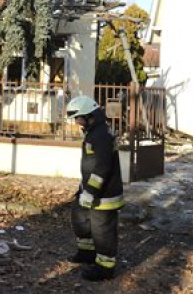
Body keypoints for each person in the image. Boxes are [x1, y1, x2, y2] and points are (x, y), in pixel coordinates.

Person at [66, 95, 124, 282]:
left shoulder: (101, 135)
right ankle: (87, 253)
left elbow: (102, 167)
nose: (76, 122)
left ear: (89, 115)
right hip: (89, 190)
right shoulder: (93, 131)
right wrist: (84, 190)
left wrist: (91, 192)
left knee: (103, 230)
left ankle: (105, 267)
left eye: (78, 118)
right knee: (79, 217)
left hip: (104, 195)